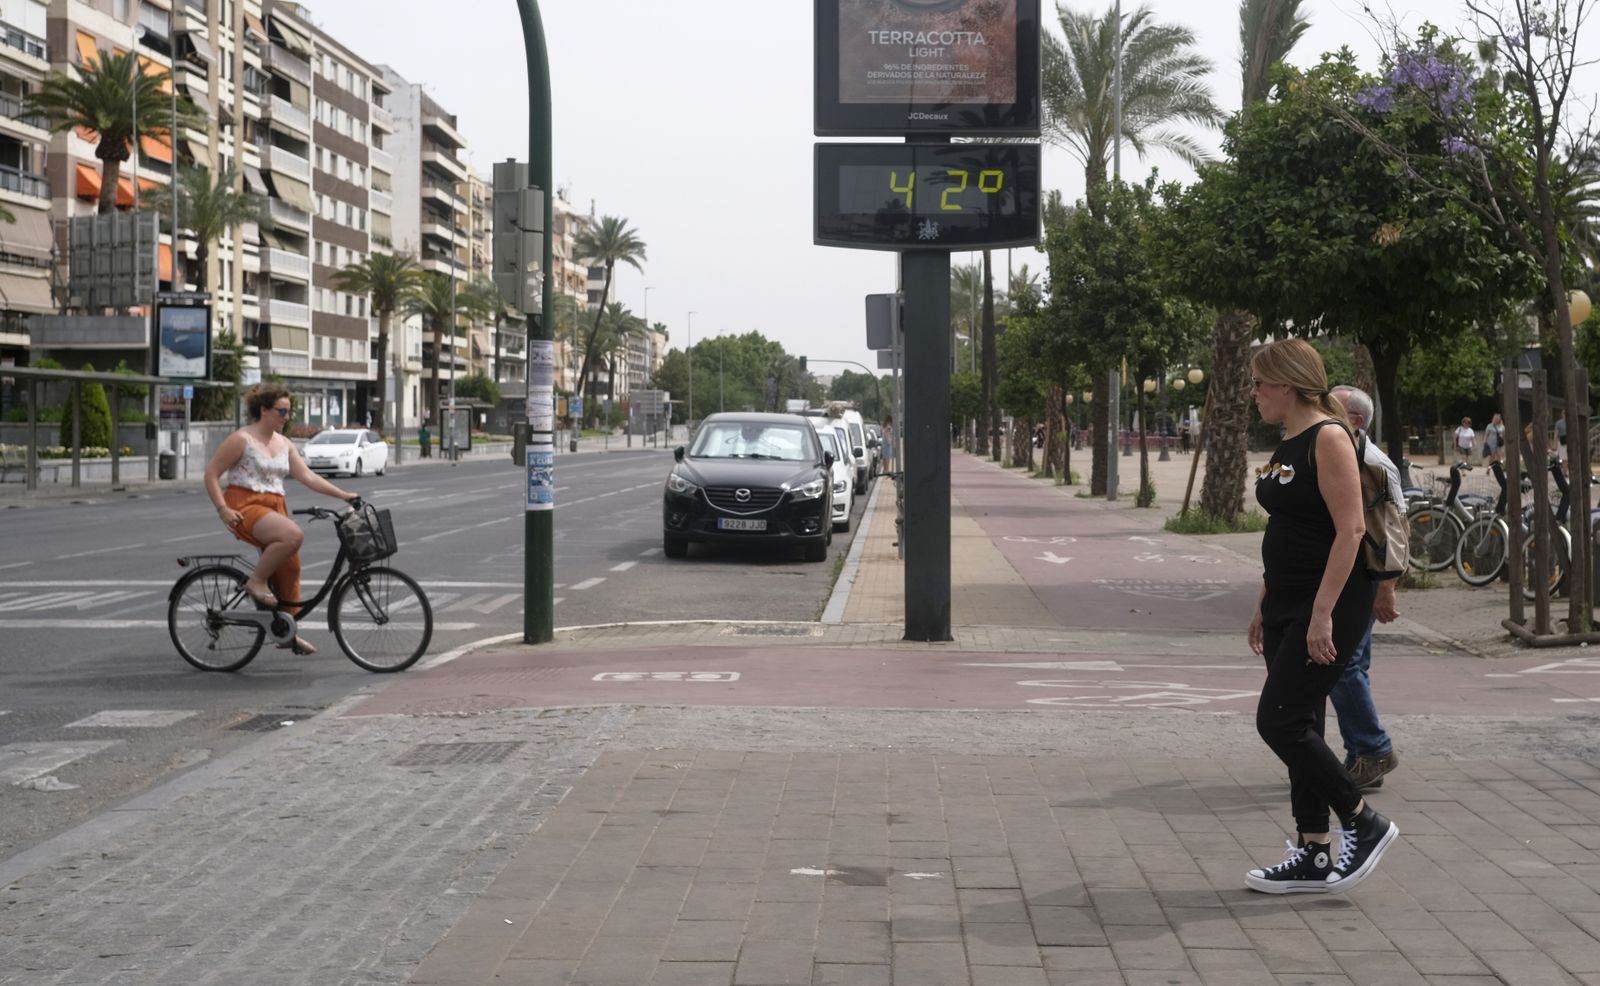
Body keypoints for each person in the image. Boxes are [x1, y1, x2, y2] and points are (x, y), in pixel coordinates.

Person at [1244, 338, 1398, 895]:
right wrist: (1264, 601)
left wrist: (1321, 615)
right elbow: (1288, 526)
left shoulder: (1330, 437)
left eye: (1259, 382)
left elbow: (1351, 530)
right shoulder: (1288, 440)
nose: (1254, 392)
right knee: (1303, 725)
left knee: (1278, 721)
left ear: (1285, 383)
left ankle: (1364, 821)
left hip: (1327, 600)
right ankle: (1314, 852)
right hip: (1286, 599)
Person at [203, 385, 360, 656]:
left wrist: (343, 495)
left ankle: (287, 632)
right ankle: (256, 581)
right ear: (264, 410)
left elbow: (308, 477)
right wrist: (222, 509)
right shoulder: (242, 439)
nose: (287, 417)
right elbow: (211, 474)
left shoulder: (284, 443)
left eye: (289, 412)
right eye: (282, 411)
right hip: (244, 504)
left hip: (274, 507)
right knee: (292, 536)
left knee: (290, 571)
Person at [1329, 385, 1402, 790]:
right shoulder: (1346, 453)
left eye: (1332, 407)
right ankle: (1361, 752)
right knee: (1354, 666)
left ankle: (1374, 749)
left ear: (1355, 421)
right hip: (1350, 575)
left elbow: (1394, 529)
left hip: (1363, 577)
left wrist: (1386, 587)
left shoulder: (1374, 463)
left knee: (1343, 668)